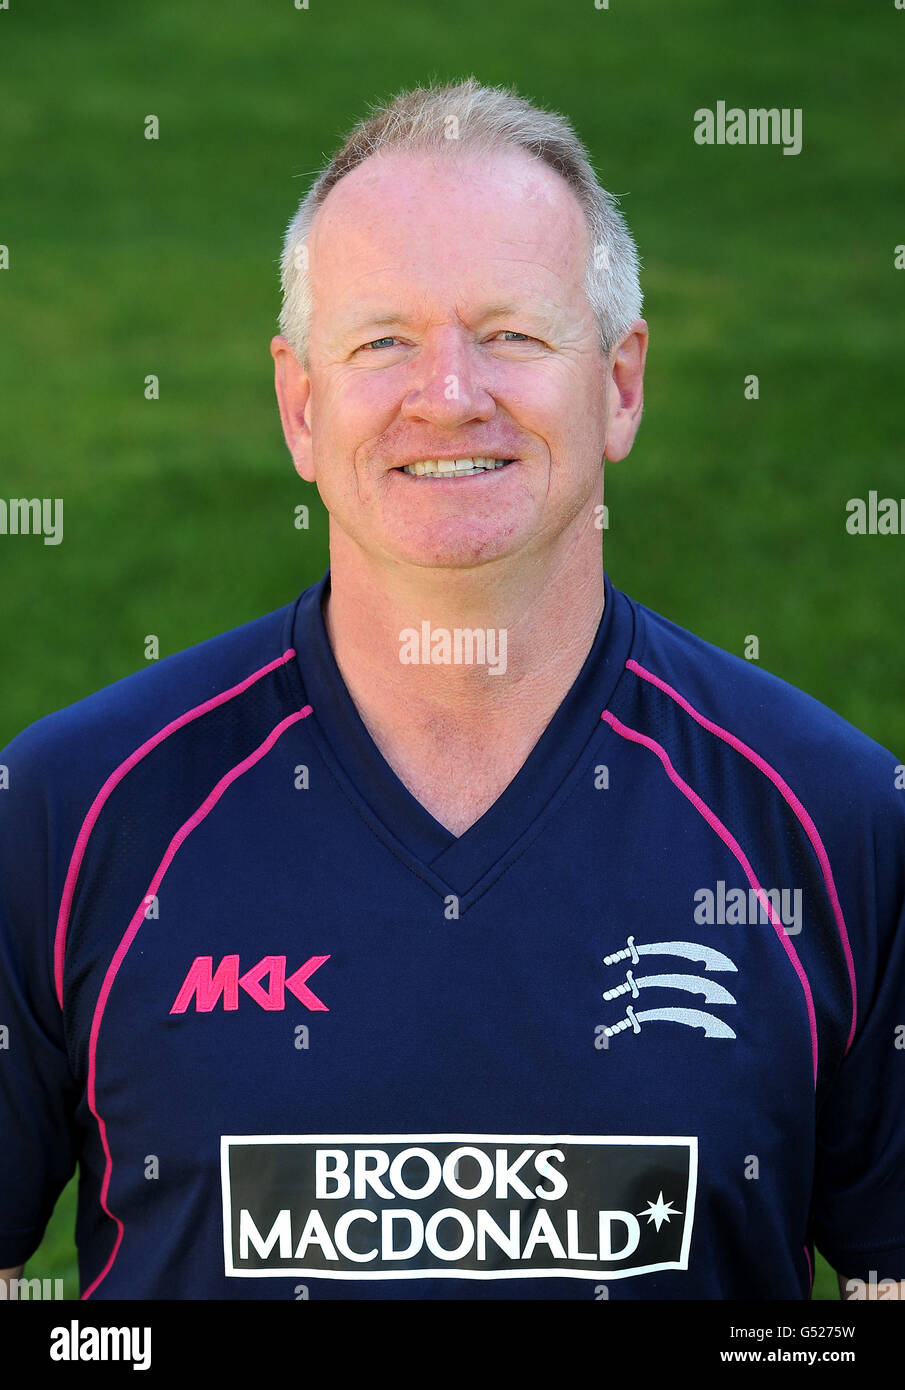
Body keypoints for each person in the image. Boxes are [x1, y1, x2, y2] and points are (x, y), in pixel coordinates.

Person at [1, 76, 903, 1302]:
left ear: (620, 383)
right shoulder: (71, 809)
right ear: (300, 405)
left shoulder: (830, 818)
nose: (448, 395)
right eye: (381, 341)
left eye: (510, 334)